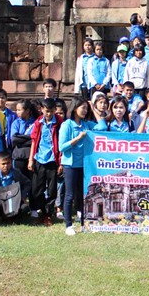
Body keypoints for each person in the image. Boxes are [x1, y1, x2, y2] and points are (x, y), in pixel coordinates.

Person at [59, 95, 95, 235]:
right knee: (69, 195)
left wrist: (94, 109)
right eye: (83, 108)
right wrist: (77, 139)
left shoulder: (86, 124)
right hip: (70, 165)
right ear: (74, 108)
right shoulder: (67, 125)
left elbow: (102, 126)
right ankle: (68, 225)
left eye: (86, 108)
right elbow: (62, 147)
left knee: (82, 195)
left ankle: (83, 223)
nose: (85, 111)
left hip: (84, 165)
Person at [28, 98, 62, 225]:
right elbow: (33, 140)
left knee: (52, 189)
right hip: (39, 159)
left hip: (53, 160)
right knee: (37, 188)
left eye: (51, 111)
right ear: (42, 110)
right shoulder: (38, 123)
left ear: (55, 110)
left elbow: (61, 142)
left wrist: (61, 162)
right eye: (46, 111)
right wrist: (31, 159)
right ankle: (41, 210)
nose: (49, 114)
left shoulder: (59, 122)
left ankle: (48, 214)